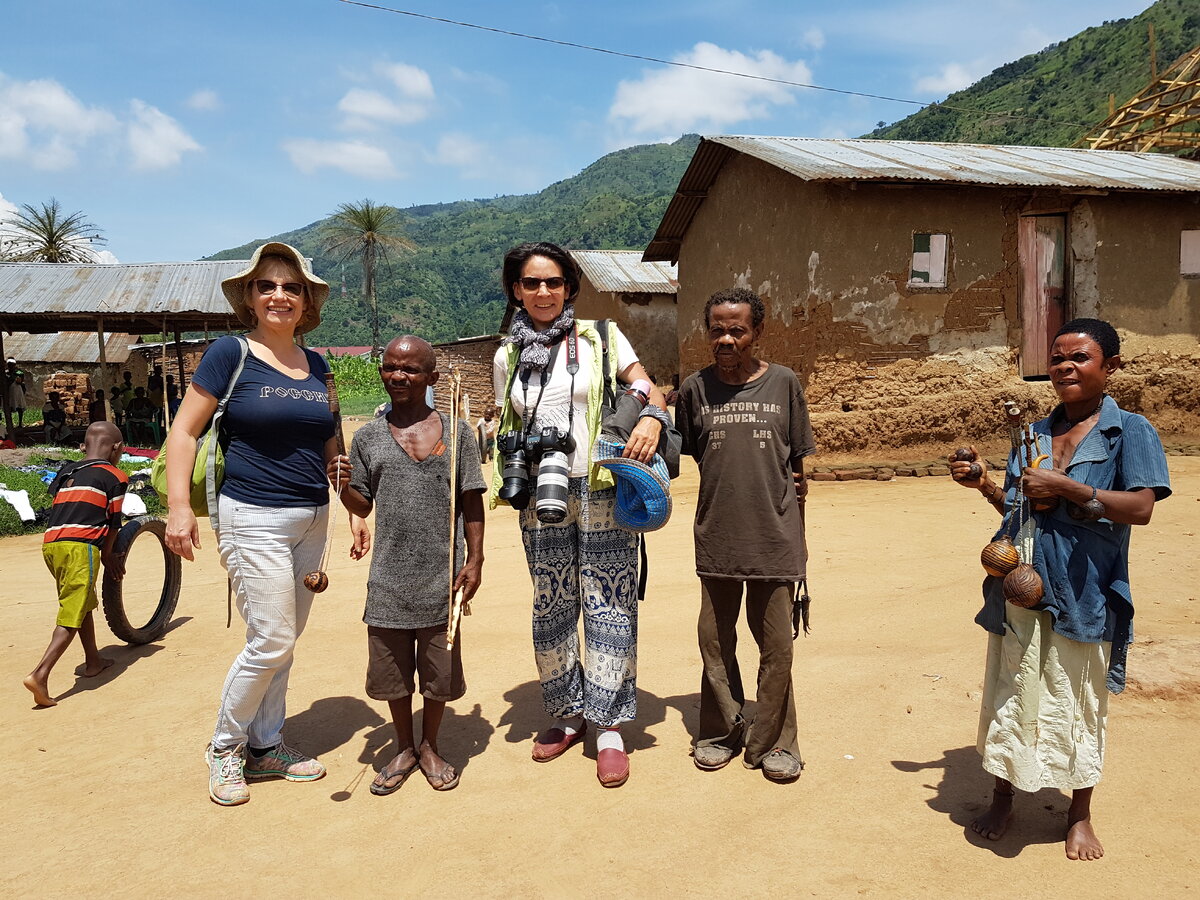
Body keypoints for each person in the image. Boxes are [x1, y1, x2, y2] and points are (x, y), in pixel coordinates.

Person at [948, 317, 1171, 861]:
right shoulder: (1034, 435)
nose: (1066, 366)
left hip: (1085, 588)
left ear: (1110, 367)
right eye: (1057, 358)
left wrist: (1072, 487)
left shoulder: (1131, 431)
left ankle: (1079, 813)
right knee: (1013, 690)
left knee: (1079, 700)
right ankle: (1004, 796)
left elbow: (1140, 508)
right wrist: (983, 485)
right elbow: (1020, 509)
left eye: (1081, 357)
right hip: (1023, 584)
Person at [491, 241, 669, 788]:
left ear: (570, 287)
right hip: (541, 494)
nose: (542, 292)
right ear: (516, 291)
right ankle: (566, 713)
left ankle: (609, 725)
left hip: (601, 485)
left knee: (610, 599)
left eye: (552, 282)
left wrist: (652, 418)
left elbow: (648, 387)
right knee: (552, 603)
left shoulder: (602, 337)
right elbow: (507, 426)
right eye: (530, 283)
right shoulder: (506, 356)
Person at [164, 242, 336, 807]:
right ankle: (224, 746)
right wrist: (180, 508)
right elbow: (184, 431)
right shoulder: (229, 353)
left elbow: (331, 446)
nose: (279, 295)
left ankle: (266, 746)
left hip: (313, 517)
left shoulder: (318, 365)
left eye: (291, 287)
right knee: (271, 638)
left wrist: (355, 510)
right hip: (252, 514)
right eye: (267, 286)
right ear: (251, 297)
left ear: (306, 299)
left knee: (284, 640)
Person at [327, 335, 486, 794]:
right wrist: (339, 483)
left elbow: (471, 501)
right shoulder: (368, 438)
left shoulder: (457, 435)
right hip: (389, 580)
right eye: (390, 367)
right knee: (392, 673)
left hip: (442, 576)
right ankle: (404, 746)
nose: (398, 376)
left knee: (439, 673)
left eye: (411, 369)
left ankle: (431, 744)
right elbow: (361, 504)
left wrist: (474, 559)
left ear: (432, 378)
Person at [675, 287, 815, 782]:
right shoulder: (694, 389)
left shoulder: (783, 383)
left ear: (756, 332)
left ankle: (778, 741)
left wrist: (799, 539)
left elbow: (799, 468)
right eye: (718, 330)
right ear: (706, 333)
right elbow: (689, 453)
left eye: (738, 330)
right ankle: (719, 732)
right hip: (717, 537)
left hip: (774, 538)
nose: (727, 339)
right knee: (714, 640)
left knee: (776, 645)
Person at [23, 422, 127, 707]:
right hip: (82, 547)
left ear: (82, 447)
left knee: (79, 602)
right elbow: (114, 523)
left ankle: (93, 660)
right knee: (72, 610)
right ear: (117, 449)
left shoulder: (66, 470)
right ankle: (40, 674)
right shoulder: (115, 475)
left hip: (52, 545)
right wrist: (108, 555)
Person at [5, 358, 27, 430]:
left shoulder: (18, 372)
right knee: (10, 406)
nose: (10, 366)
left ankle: (20, 423)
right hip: (9, 391)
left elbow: (20, 381)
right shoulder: (6, 373)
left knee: (19, 406)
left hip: (17, 391)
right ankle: (9, 423)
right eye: (9, 365)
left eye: (12, 365)